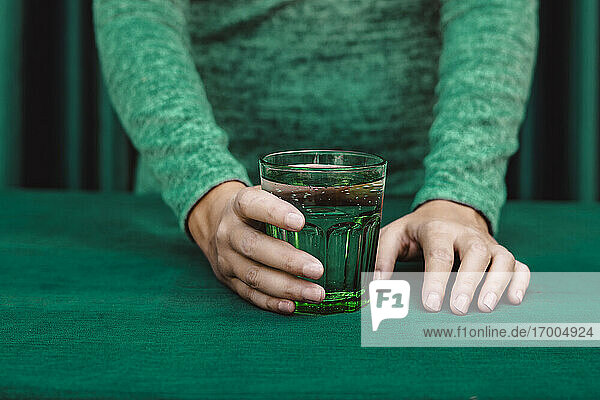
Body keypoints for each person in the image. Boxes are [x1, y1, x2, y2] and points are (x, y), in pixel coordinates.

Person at [94, 0, 536, 315]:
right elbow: (138, 14)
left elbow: (490, 10)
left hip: (412, 211)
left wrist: (458, 195)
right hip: (195, 211)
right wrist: (206, 195)